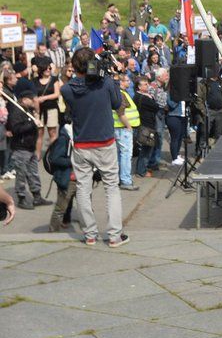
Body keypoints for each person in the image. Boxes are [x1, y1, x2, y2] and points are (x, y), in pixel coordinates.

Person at [61, 47, 130, 247]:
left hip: (82, 144)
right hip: (104, 142)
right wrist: (114, 80)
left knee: (83, 188)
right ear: (93, 64)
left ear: (74, 66)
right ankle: (115, 235)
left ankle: (90, 234)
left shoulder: (67, 89)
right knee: (111, 187)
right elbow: (117, 103)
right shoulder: (106, 83)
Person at [6, 81, 52, 211]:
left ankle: (36, 196)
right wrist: (32, 124)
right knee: (21, 174)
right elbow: (16, 129)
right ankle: (21, 197)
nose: (34, 101)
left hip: (30, 148)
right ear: (24, 99)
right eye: (32, 99)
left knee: (33, 173)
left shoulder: (28, 110)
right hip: (20, 149)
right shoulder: (16, 111)